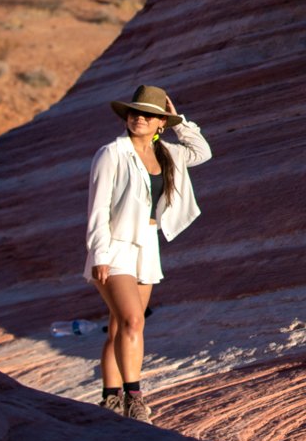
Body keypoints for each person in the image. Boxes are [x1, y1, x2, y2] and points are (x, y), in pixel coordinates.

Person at [83, 83, 211, 422]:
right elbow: (97, 209)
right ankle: (134, 398)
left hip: (147, 245)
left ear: (160, 123)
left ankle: (110, 399)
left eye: (149, 115)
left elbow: (202, 152)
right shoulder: (111, 153)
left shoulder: (168, 153)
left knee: (119, 326)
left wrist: (179, 120)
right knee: (133, 320)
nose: (139, 118)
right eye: (134, 113)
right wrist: (99, 255)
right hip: (115, 246)